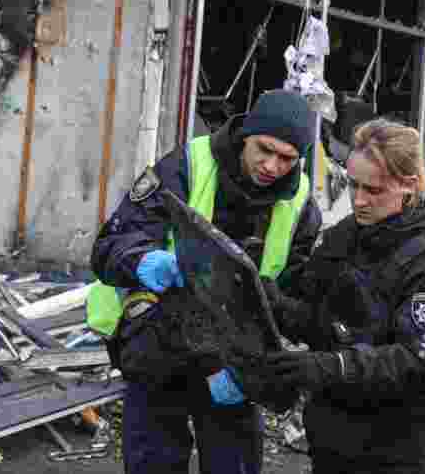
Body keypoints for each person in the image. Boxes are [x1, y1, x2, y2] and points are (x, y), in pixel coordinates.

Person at [89, 89, 323, 474]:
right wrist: (143, 259)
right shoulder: (187, 164)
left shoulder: (298, 204)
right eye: (264, 149)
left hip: (232, 364)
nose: (272, 166)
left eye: (287, 158)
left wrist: (267, 363)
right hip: (159, 342)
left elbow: (291, 292)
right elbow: (110, 245)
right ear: (247, 133)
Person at [246, 119, 425, 473]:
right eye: (353, 185)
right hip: (332, 440)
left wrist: (326, 366)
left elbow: (416, 359)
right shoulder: (347, 236)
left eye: (374, 190)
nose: (359, 200)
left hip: (393, 451)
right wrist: (272, 303)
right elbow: (324, 321)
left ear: (408, 186)